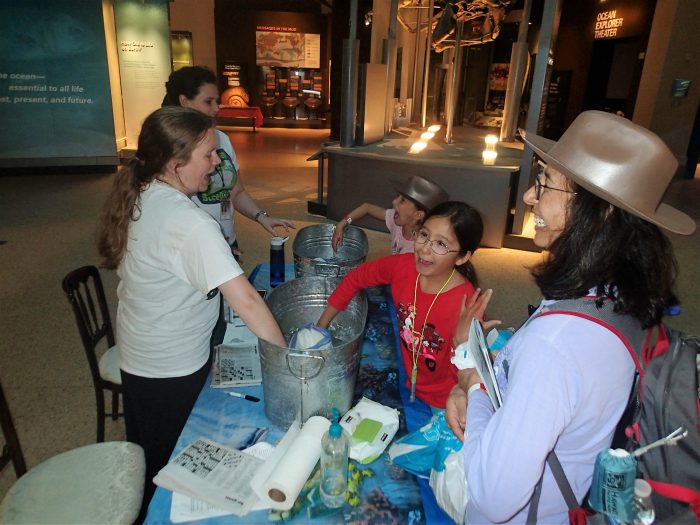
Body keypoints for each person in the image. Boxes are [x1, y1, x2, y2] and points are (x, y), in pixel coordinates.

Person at [445, 111, 695, 523]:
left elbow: (493, 496)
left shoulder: (555, 344)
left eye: (543, 181)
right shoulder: (618, 297)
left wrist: (473, 386)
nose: (528, 196)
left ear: (600, 211)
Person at [96, 106, 287, 517]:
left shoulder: (148, 190)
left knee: (152, 451)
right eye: (209, 155)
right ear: (175, 162)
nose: (217, 163)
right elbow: (249, 302)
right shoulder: (187, 221)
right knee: (167, 469)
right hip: (168, 366)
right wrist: (286, 360)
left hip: (142, 353)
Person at [319, 201, 483, 409]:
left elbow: (469, 368)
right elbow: (356, 277)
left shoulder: (467, 305)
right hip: (408, 375)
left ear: (462, 257)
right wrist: (321, 326)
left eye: (441, 244)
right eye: (424, 235)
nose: (425, 249)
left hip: (446, 400)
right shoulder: (402, 267)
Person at [162, 66, 294, 257]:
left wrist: (262, 217)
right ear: (184, 101)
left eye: (217, 101)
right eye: (208, 101)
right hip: (195, 248)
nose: (217, 108)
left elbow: (236, 191)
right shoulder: (168, 148)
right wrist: (207, 242)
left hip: (225, 240)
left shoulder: (221, 139)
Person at [332, 175, 449, 255]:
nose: (394, 202)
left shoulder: (422, 249)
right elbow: (366, 207)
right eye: (397, 197)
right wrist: (343, 223)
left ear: (418, 215)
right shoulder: (396, 220)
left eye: (402, 200)